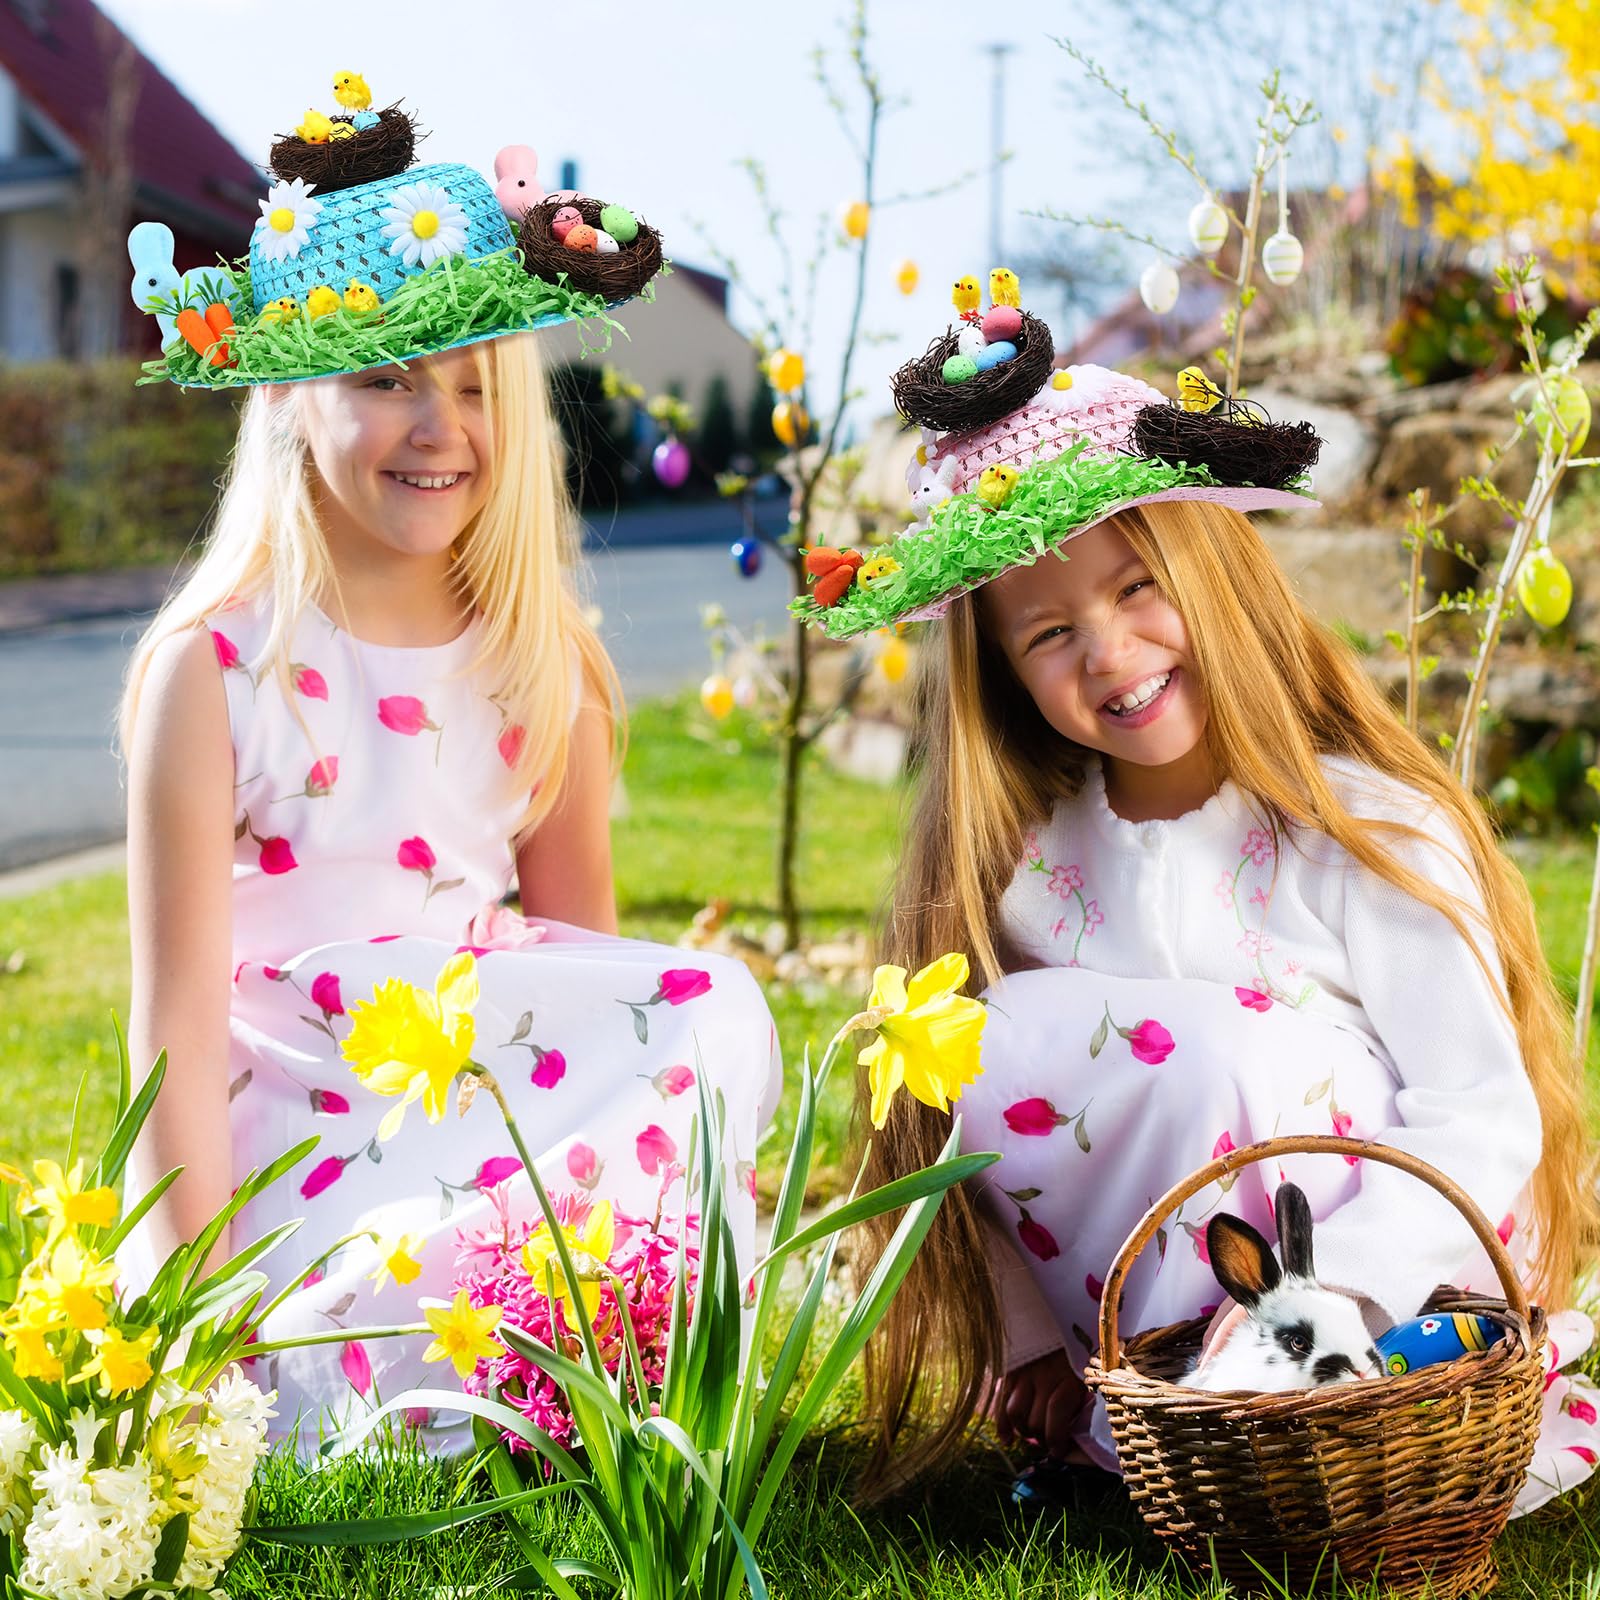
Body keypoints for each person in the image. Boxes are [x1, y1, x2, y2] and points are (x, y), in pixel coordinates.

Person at [798, 345, 1600, 1510]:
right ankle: (1147, 1409)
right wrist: (1025, 1333)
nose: (1109, 653)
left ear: (1211, 574)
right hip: (1162, 1326)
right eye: (1046, 634)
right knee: (961, 1028)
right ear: (1007, 678)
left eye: (1135, 588)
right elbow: (960, 1135)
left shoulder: (1360, 829)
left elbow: (1476, 1114)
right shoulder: (1036, 869)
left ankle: (1270, 1410)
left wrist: (1350, 1296)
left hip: (1382, 1296)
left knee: (1223, 1055)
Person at [119, 85, 777, 1449]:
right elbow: (174, 1029)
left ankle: (569, 1322)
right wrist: (191, 1306)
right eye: (386, 379)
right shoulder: (218, 670)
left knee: (722, 1014)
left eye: (475, 383)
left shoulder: (541, 664)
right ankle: (384, 1349)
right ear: (292, 398)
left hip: (488, 1109)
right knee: (390, 1309)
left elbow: (591, 977)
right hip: (307, 1131)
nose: (442, 426)